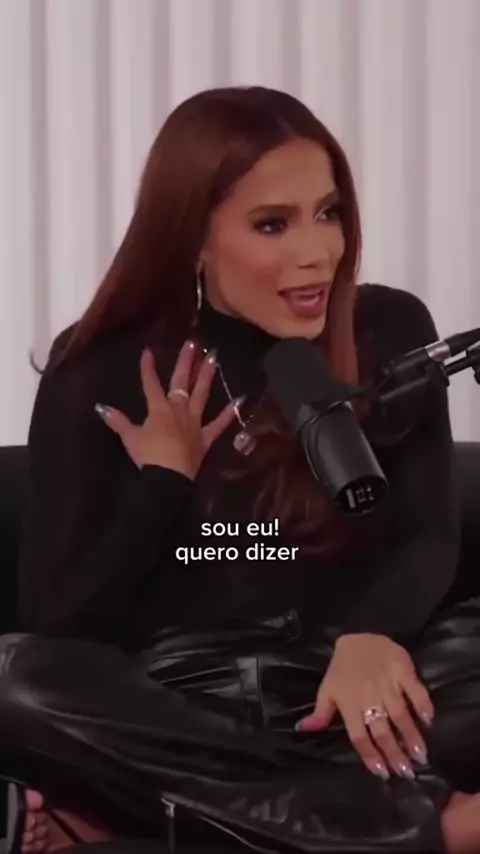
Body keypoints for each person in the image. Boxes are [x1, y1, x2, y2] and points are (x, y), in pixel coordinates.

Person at [1, 84, 480, 854]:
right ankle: (423, 826)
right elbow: (59, 625)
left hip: (350, 688)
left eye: (328, 212)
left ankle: (142, 811)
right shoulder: (100, 364)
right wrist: (162, 485)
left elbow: (429, 534)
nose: (317, 252)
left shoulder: (389, 328)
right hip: (178, 706)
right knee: (12, 676)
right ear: (193, 235)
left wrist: (372, 636)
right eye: (272, 224)